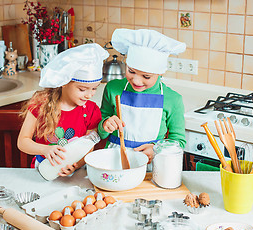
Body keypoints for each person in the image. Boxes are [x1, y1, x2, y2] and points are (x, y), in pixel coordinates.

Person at [18, 43, 109, 176]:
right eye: (82, 89)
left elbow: (89, 148)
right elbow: (22, 142)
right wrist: (45, 150)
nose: (89, 95)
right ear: (64, 82)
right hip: (42, 170)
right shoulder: (41, 105)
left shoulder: (91, 110)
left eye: (94, 88)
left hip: (75, 173)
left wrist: (76, 166)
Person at [98, 29, 187, 162]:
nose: (136, 80)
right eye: (131, 71)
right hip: (113, 160)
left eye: (146, 76)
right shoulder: (112, 88)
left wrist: (157, 150)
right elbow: (98, 128)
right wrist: (105, 125)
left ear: (160, 73)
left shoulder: (173, 100)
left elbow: (178, 141)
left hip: (152, 164)